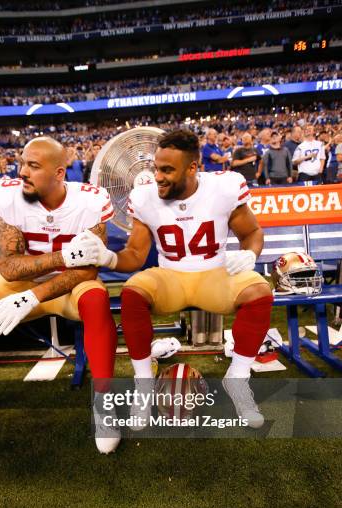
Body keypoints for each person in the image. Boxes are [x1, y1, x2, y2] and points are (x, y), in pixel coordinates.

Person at [0, 137, 119, 454]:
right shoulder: (9, 196)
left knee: (95, 300)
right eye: (22, 163)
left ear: (60, 173)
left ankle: (104, 402)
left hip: (70, 285)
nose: (22, 172)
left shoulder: (90, 201)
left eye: (33, 166)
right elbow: (8, 267)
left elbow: (87, 271)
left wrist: (34, 297)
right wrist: (62, 258)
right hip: (20, 283)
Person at [84, 129, 273, 428]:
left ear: (193, 168)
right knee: (133, 292)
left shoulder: (223, 187)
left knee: (260, 291)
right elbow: (134, 254)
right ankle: (144, 385)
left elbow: (251, 232)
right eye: (156, 168)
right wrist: (107, 257)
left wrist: (251, 253)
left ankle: (237, 378)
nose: (157, 176)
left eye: (167, 170)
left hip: (215, 274)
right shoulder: (144, 196)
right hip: (171, 276)